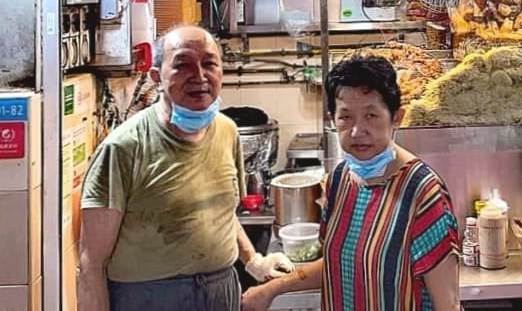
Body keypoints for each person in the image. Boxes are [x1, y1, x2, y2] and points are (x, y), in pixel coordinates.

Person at [78, 24, 291, 311]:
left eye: (209, 64)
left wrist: (253, 260)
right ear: (157, 77)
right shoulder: (123, 148)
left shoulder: (227, 132)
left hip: (220, 291)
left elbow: (221, 214)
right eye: (183, 65)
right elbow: (91, 261)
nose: (200, 76)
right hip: (149, 298)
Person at [241, 53, 461, 311]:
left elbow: (448, 304)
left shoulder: (422, 193)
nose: (357, 131)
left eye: (371, 116)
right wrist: (272, 288)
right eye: (346, 117)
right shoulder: (339, 180)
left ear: (396, 117)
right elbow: (340, 263)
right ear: (332, 119)